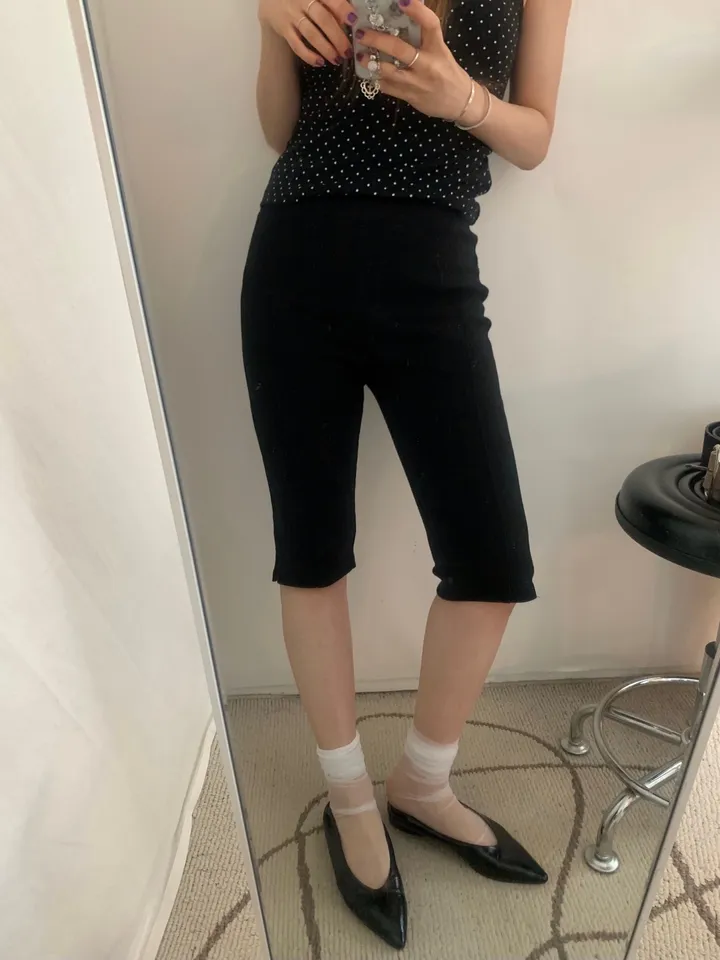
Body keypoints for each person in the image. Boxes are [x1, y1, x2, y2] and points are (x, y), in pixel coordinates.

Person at [243, 0, 571, 948]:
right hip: (294, 260)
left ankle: (422, 784)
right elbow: (278, 131)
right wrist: (268, 22)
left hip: (434, 267)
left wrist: (459, 96)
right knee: (312, 552)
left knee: (492, 563)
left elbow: (535, 138)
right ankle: (350, 798)